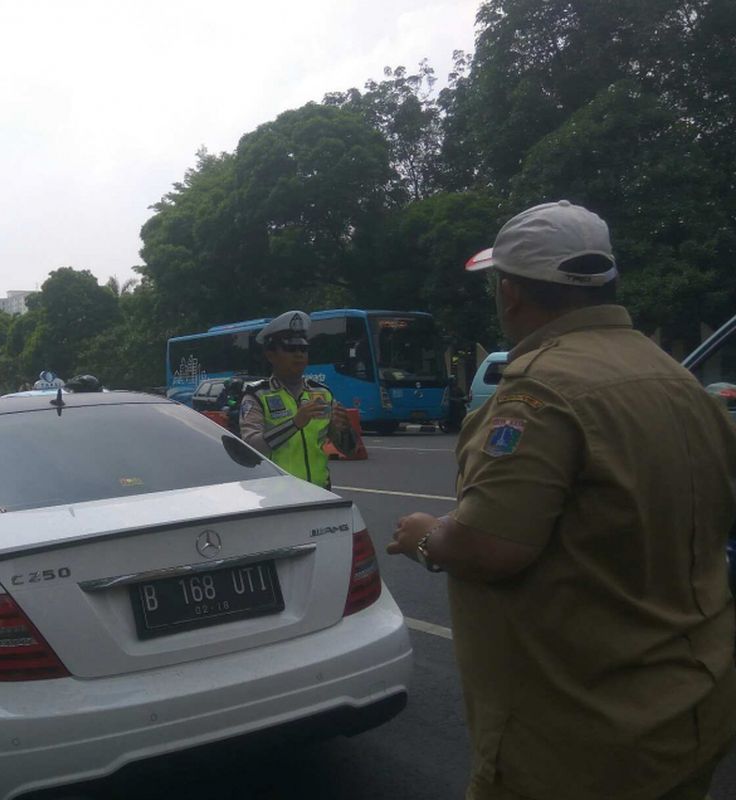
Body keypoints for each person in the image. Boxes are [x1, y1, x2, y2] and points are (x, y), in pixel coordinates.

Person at [386, 201, 736, 800]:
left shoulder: (541, 394)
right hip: (693, 705)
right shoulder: (680, 381)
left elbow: (492, 546)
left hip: (582, 735)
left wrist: (424, 535)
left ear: (511, 294)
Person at [239, 310, 350, 489]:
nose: (298, 354)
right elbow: (251, 448)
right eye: (290, 348)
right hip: (278, 498)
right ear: (270, 355)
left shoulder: (322, 393)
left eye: (303, 348)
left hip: (320, 494)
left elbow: (348, 449)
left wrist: (345, 430)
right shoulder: (257, 395)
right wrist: (295, 423)